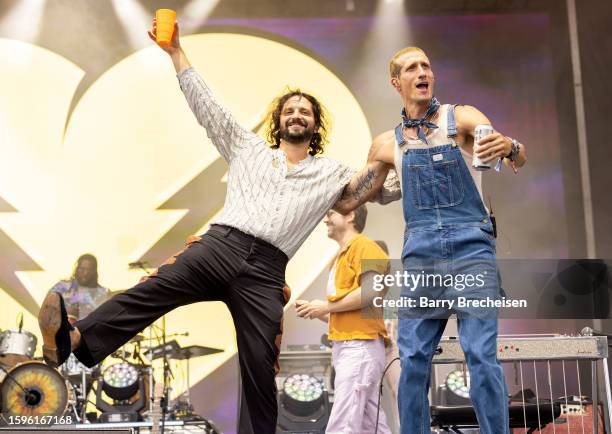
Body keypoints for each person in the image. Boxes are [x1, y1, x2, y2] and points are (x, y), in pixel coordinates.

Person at [37, 20, 390, 434]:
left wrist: (395, 154)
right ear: (279, 121)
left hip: (266, 272)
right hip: (221, 245)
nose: (297, 114)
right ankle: (74, 341)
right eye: (290, 109)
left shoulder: (331, 173)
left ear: (315, 125)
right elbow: (209, 107)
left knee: (260, 365)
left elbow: (377, 190)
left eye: (305, 111)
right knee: (151, 290)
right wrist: (176, 54)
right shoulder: (249, 148)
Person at [334, 46, 527, 433]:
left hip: (472, 251)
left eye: (426, 66)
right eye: (411, 67)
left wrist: (509, 147)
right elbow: (349, 199)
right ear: (396, 82)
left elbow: (513, 155)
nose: (422, 72)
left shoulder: (464, 117)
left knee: (480, 356)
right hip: (421, 259)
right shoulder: (387, 145)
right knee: (412, 362)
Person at [296, 205, 392, 434]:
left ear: (350, 215)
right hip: (351, 346)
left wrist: (326, 306)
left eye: (330, 214)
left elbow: (371, 292)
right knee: (372, 425)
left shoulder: (366, 247)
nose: (325, 219)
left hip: (360, 346)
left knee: (343, 424)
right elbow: (347, 309)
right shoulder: (339, 258)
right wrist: (317, 310)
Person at [49, 254, 109, 323]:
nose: (85, 273)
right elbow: (46, 311)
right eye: (82, 269)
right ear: (77, 268)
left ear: (94, 271)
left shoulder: (102, 293)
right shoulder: (62, 287)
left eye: (89, 270)